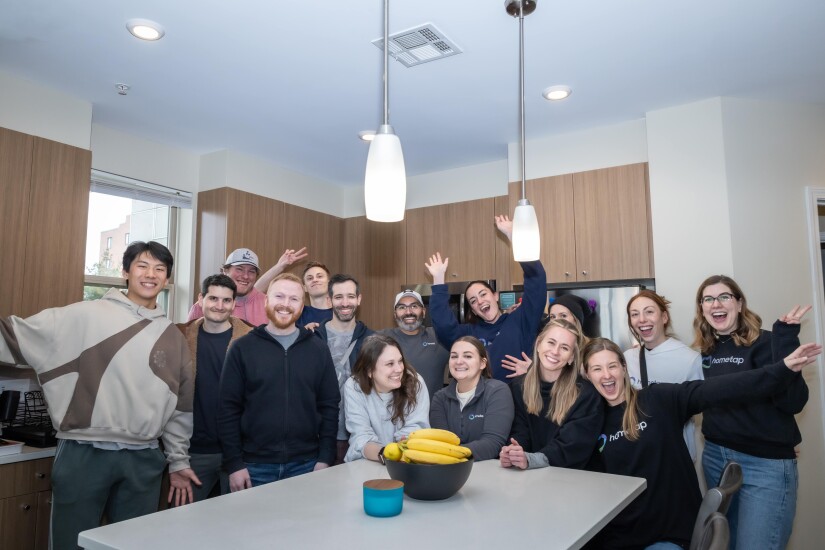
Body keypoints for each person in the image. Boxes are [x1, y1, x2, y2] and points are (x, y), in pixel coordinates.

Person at [0, 241, 200, 550]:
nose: (151, 274)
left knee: (134, 544)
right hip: (83, 452)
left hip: (144, 458)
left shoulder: (174, 337)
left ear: (168, 279)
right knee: (71, 543)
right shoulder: (83, 315)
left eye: (160, 269)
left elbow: (180, 408)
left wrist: (178, 460)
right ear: (125, 272)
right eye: (142, 266)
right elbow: (16, 335)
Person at [581, 336, 819, 550]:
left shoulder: (658, 400)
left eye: (612, 366)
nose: (607, 375)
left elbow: (721, 389)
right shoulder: (589, 424)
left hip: (667, 537)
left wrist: (781, 370)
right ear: (587, 375)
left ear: (624, 368)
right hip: (618, 539)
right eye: (597, 369)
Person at [692, 275, 811, 550]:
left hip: (765, 465)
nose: (716, 304)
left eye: (724, 296)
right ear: (701, 308)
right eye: (708, 299)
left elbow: (794, 402)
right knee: (725, 544)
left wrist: (786, 340)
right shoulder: (703, 352)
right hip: (716, 459)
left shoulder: (768, 342)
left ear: (739, 302)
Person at [218, 273, 339, 490]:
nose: (285, 304)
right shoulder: (241, 349)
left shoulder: (318, 349)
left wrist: (326, 457)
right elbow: (227, 410)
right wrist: (234, 464)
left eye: (294, 299)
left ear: (302, 306)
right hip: (253, 466)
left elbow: (329, 406)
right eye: (279, 296)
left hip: (307, 465)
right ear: (266, 301)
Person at [426, 215, 546, 382]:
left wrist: (514, 237)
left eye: (483, 294)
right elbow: (444, 327)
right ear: (473, 310)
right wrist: (438, 280)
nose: (480, 301)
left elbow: (536, 284)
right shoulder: (469, 335)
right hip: (481, 404)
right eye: (473, 301)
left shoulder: (519, 320)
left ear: (495, 296)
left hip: (519, 402)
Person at [177, 274, 253, 501]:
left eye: (226, 300)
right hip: (194, 451)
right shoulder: (181, 335)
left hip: (240, 453)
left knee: (237, 525)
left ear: (234, 304)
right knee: (184, 524)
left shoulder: (252, 340)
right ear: (200, 299)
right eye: (213, 298)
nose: (219, 306)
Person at [500, 319, 603, 470]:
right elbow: (520, 432)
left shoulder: (586, 395)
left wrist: (531, 460)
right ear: (538, 344)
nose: (555, 352)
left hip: (571, 480)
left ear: (572, 358)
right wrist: (513, 453)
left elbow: (572, 446)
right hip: (528, 478)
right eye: (551, 342)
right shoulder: (517, 387)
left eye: (565, 348)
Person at [624, 289, 702, 461]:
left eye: (649, 312)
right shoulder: (628, 358)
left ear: (664, 317)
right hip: (639, 453)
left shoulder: (690, 359)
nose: (642, 319)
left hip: (675, 456)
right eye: (635, 314)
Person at [315, 274, 374, 462]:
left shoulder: (372, 340)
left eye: (350, 296)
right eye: (338, 297)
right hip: (317, 435)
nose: (345, 302)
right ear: (329, 300)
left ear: (359, 299)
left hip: (358, 435)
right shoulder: (312, 338)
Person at [343, 334, 430, 462]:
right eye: (390, 364)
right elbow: (361, 437)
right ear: (369, 371)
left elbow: (415, 431)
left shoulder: (415, 382)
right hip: (368, 461)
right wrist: (386, 455)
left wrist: (398, 456)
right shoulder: (354, 386)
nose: (399, 369)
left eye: (400, 361)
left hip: (407, 461)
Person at [429, 336, 513, 461]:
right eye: (454, 356)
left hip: (491, 472)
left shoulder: (498, 391)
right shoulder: (439, 398)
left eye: (467, 356)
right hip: (451, 470)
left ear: (482, 363)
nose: (459, 361)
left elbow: (492, 444)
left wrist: (453, 453)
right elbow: (442, 444)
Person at [187, 247, 307, 326]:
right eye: (239, 269)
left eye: (251, 271)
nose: (245, 276)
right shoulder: (204, 306)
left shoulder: (266, 302)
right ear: (225, 271)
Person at [380, 289, 449, 400]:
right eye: (402, 307)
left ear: (424, 311)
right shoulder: (381, 338)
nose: (408, 312)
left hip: (431, 415)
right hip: (392, 414)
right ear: (395, 314)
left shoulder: (439, 338)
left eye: (414, 306)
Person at [297, 261, 333, 327]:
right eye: (310, 278)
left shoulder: (340, 313)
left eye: (319, 276)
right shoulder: (298, 313)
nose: (315, 280)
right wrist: (279, 267)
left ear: (329, 283)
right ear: (305, 288)